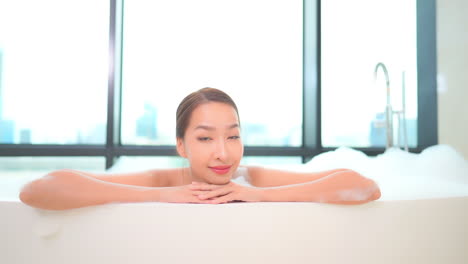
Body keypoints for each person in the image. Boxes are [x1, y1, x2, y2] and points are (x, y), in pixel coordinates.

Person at [19, 88, 381, 210]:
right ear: (181, 144)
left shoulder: (249, 177)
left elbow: (364, 186)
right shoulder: (161, 179)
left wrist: (260, 196)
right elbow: (38, 189)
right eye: (205, 138)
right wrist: (163, 196)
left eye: (233, 136)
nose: (223, 153)